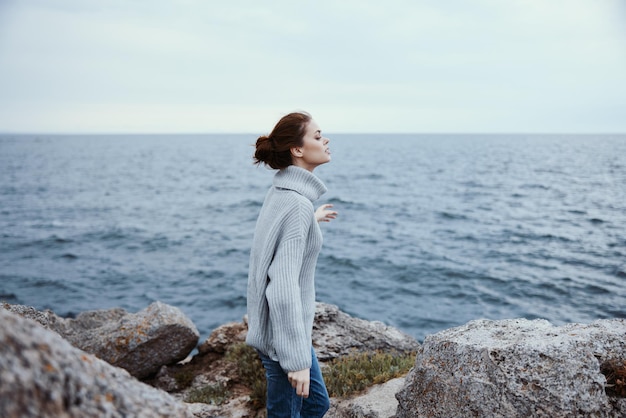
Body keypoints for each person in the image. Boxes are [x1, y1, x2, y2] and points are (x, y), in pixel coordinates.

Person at [246, 111, 337, 417]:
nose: (325, 140)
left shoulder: (284, 194)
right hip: (282, 339)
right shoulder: (296, 205)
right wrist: (296, 360)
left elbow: (280, 240)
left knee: (317, 404)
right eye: (316, 135)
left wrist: (312, 221)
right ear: (297, 150)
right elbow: (282, 287)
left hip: (283, 333)